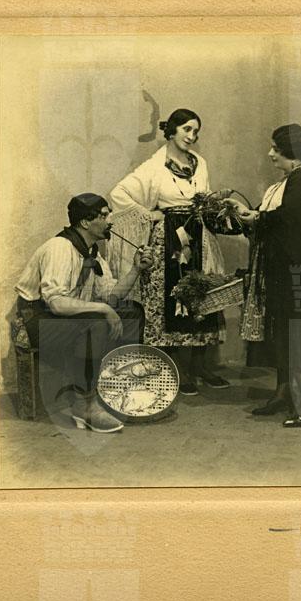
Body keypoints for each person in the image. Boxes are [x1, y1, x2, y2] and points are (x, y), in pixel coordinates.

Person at [108, 108, 230, 395]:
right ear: (172, 130)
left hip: (199, 238)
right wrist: (149, 214)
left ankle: (200, 365)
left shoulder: (200, 163)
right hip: (169, 241)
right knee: (170, 298)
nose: (192, 136)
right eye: (187, 129)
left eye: (196, 131)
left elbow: (204, 196)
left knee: (202, 296)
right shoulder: (154, 166)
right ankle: (177, 368)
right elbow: (118, 194)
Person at [15, 192, 153, 433]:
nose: (110, 221)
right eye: (104, 216)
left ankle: (119, 388)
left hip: (66, 317)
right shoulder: (60, 248)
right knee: (96, 322)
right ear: (85, 222)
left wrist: (135, 269)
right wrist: (103, 309)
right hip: (37, 320)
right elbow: (56, 303)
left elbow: (111, 296)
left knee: (134, 312)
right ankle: (84, 406)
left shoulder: (92, 253)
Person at [227, 123, 301, 427]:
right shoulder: (283, 184)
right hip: (281, 271)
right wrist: (245, 213)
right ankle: (284, 393)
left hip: (296, 271)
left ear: (290, 152)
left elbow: (287, 218)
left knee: (298, 335)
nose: (270, 154)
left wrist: (256, 217)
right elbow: (266, 217)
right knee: (282, 333)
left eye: (275, 149)